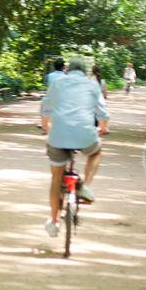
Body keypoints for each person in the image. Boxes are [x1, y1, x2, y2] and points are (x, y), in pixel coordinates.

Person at [40, 56, 109, 238]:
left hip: (58, 136)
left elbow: (45, 108)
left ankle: (54, 222)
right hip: (85, 135)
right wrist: (102, 129)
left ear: (67, 70)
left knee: (56, 178)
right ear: (85, 71)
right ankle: (85, 185)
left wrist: (45, 125)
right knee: (96, 151)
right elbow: (103, 113)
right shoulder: (93, 85)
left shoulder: (57, 84)